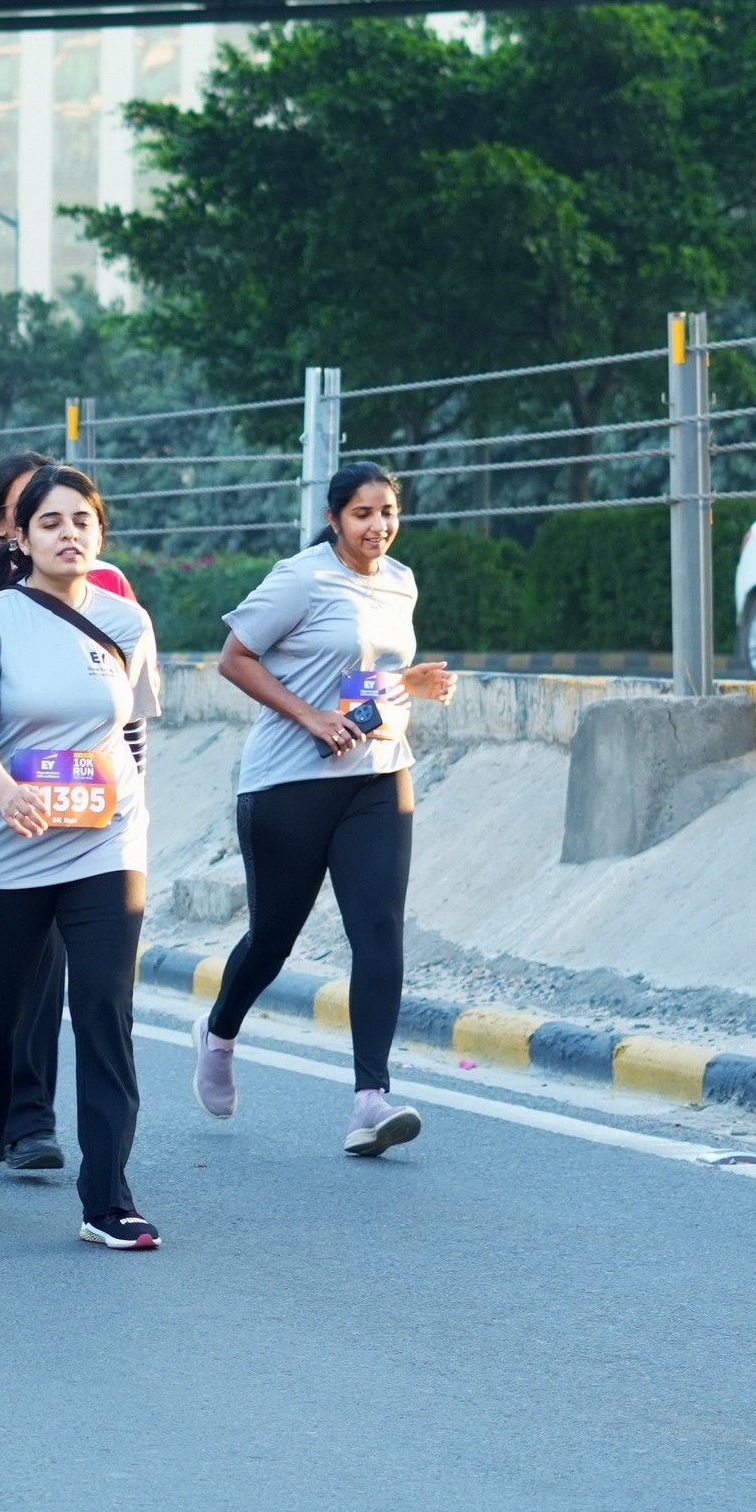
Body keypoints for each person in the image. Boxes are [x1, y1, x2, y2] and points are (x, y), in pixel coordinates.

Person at [0, 464, 164, 1252]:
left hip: (105, 841)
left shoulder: (126, 621)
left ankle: (107, 1197)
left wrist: (132, 816)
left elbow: (131, 731)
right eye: (51, 522)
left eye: (82, 520)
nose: (69, 534)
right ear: (18, 536)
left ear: (101, 531)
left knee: (104, 1007)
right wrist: (2, 791)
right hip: (9, 843)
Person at [195, 463, 457, 1158]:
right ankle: (219, 1034)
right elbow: (235, 659)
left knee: (380, 930)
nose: (379, 525)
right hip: (289, 782)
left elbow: (364, 677)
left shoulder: (400, 580)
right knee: (272, 939)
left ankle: (371, 1100)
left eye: (388, 511)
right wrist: (310, 716)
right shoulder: (300, 578)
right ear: (335, 518)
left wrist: (409, 683)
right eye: (363, 513)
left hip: (378, 775)